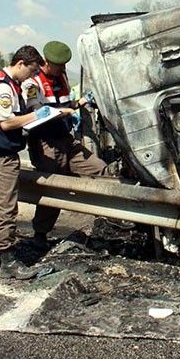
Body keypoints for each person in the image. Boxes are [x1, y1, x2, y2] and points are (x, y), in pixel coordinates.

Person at [22, 41, 107, 249]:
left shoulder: (61, 77)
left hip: (66, 138)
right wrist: (63, 112)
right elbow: (37, 111)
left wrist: (79, 104)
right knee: (52, 187)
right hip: (45, 143)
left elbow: (67, 102)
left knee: (98, 169)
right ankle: (40, 234)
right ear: (47, 62)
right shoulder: (32, 83)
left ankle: (111, 216)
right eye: (60, 65)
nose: (63, 69)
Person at [0, 45, 46, 279]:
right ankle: (8, 260)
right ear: (20, 64)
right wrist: (37, 116)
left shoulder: (4, 82)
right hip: (1, 157)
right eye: (31, 71)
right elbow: (6, 123)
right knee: (6, 208)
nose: (32, 76)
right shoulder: (3, 87)